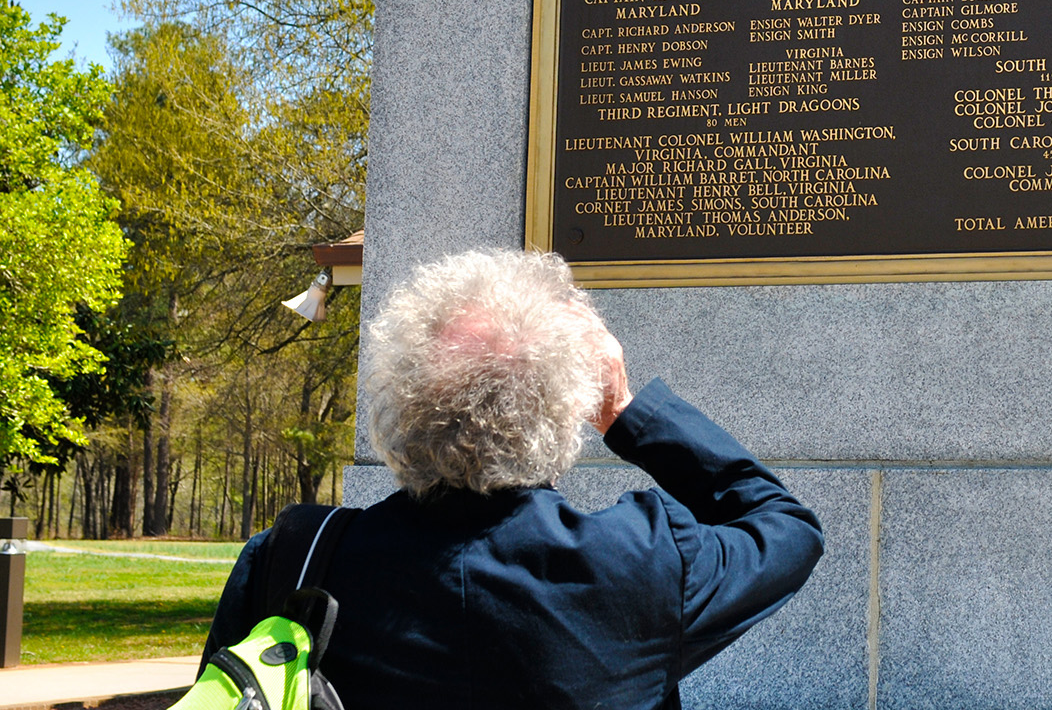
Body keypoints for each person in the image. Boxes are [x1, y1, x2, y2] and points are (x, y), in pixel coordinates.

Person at [202, 248, 823, 709]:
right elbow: (784, 525)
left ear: (398, 402)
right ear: (563, 408)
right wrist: (624, 410)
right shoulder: (642, 562)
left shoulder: (297, 561)